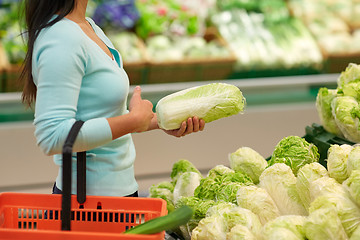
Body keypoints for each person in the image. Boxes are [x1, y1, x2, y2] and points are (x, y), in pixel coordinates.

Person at [19, 0, 205, 197]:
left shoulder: (89, 27)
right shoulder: (62, 38)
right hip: (88, 208)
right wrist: (132, 120)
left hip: (118, 196)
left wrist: (159, 121)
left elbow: (99, 115)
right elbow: (52, 136)